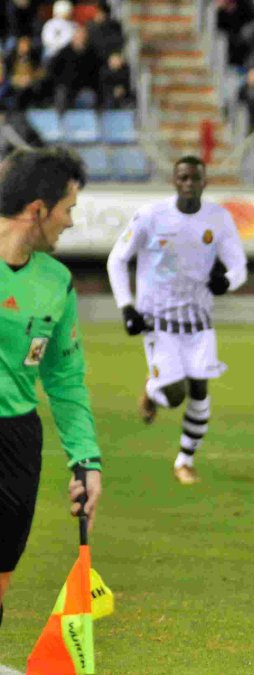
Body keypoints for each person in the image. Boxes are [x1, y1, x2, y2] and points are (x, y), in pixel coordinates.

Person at [0, 147, 101, 625]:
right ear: (37, 210)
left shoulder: (57, 281)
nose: (71, 222)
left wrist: (86, 461)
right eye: (68, 210)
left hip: (16, 439)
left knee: (1, 571)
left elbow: (64, 379)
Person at [105, 156, 248, 485]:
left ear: (204, 182)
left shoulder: (219, 219)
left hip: (199, 321)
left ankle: (185, 460)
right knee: (174, 395)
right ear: (174, 180)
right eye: (182, 177)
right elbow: (117, 259)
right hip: (157, 320)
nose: (188, 183)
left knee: (199, 389)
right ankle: (153, 388)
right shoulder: (151, 216)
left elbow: (239, 266)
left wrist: (227, 282)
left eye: (194, 178)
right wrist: (127, 307)